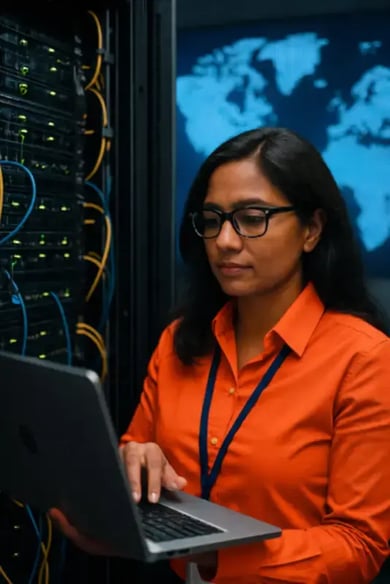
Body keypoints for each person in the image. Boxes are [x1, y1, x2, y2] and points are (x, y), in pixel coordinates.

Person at [51, 127, 390, 583]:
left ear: (311, 230)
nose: (225, 241)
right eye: (212, 219)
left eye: (253, 218)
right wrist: (132, 461)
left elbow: (359, 545)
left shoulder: (364, 360)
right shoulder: (179, 341)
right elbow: (133, 452)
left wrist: (215, 556)